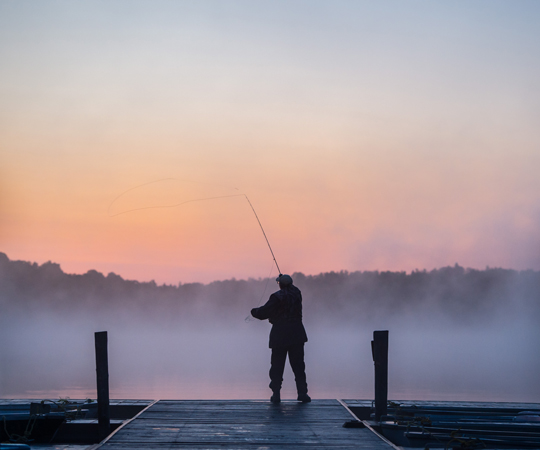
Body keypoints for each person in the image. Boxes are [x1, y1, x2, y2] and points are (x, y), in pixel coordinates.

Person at [251, 274, 311, 404]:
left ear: (280, 284)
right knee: (299, 366)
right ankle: (302, 393)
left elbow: (263, 313)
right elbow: (292, 290)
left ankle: (276, 394)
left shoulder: (277, 297)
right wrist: (283, 280)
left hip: (280, 334)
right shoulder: (297, 294)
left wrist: (254, 312)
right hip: (297, 333)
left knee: (277, 366)